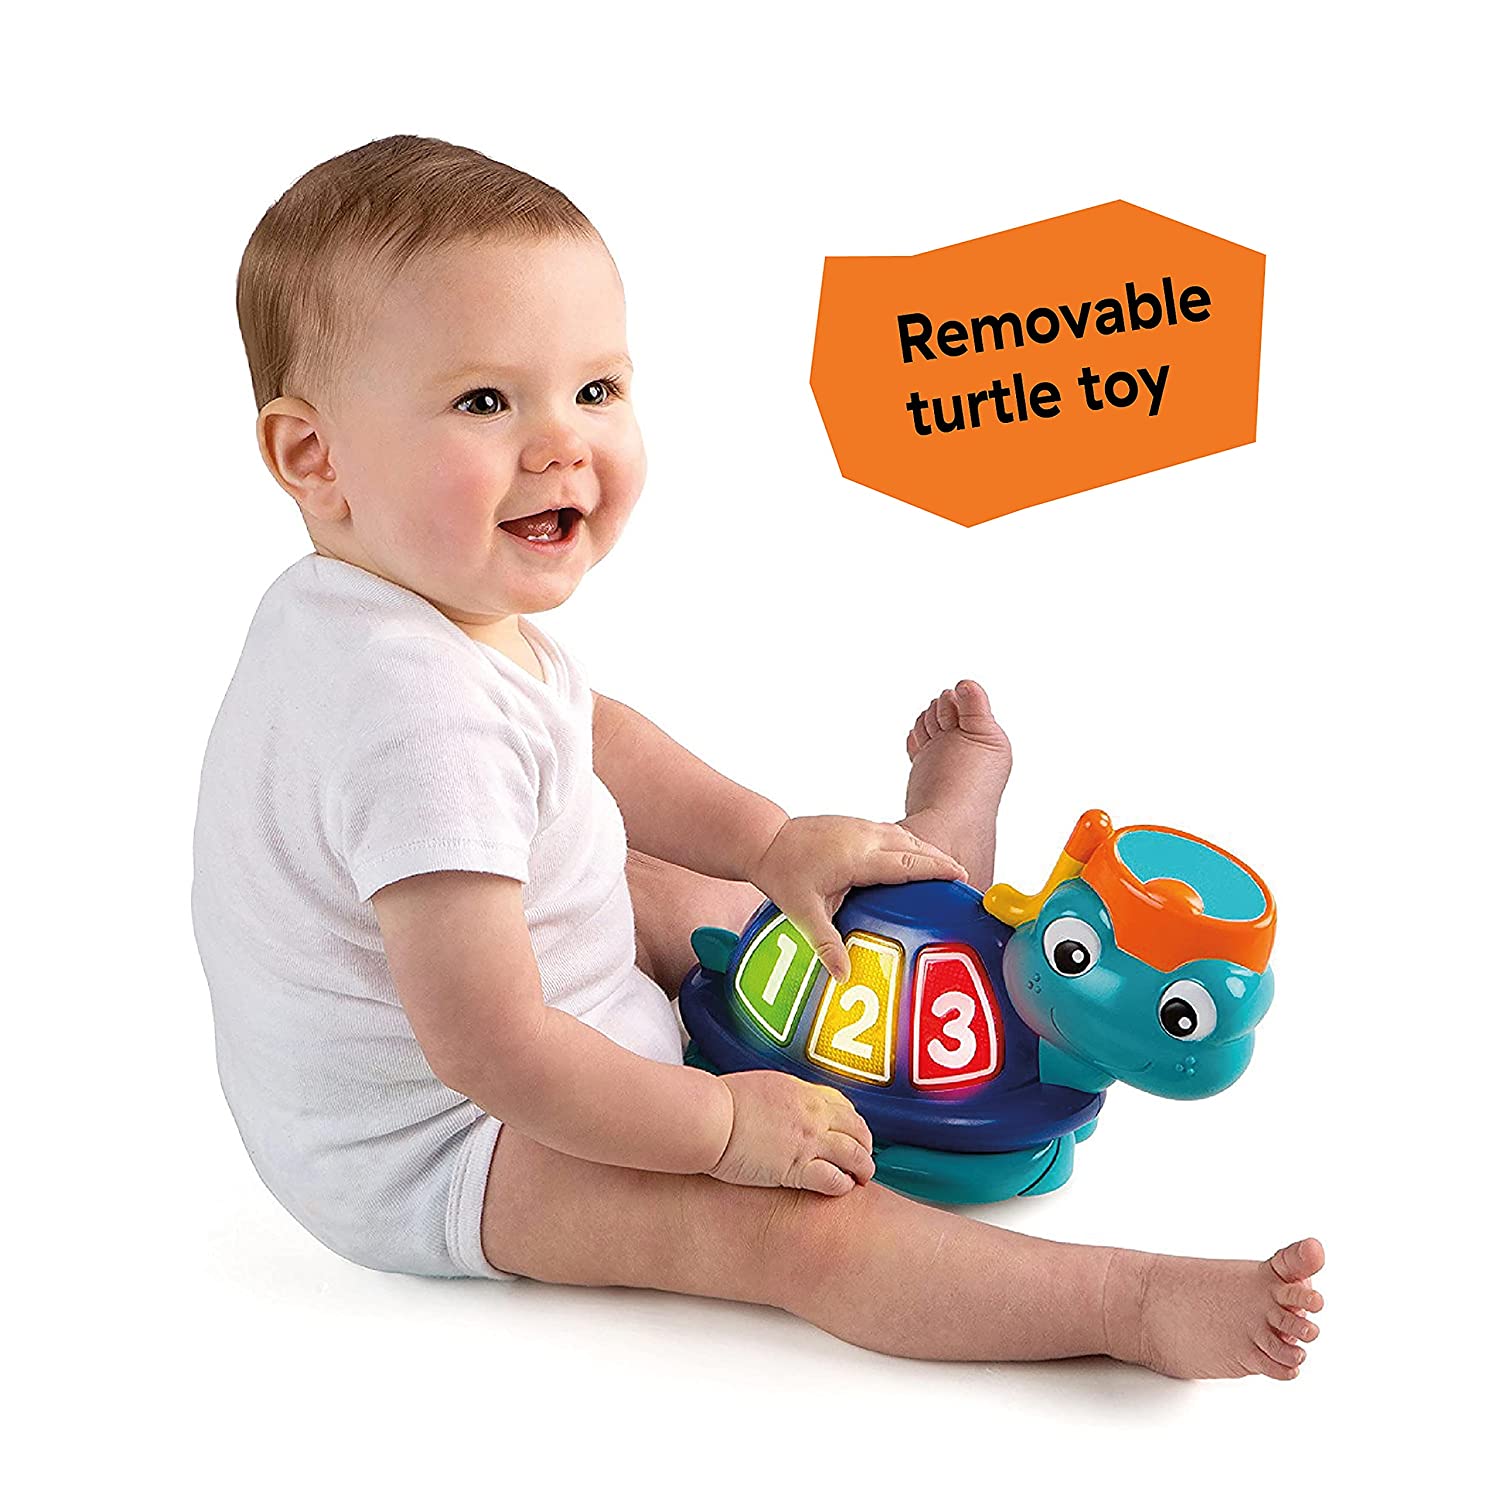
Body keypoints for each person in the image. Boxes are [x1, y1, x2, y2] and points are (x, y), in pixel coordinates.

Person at [192, 134, 1323, 1378]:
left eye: (596, 389)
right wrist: (721, 1123)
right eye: (483, 402)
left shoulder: (389, 599)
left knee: (756, 910)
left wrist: (768, 839)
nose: (562, 444)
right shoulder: (411, 721)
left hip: (496, 1005)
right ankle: (1128, 1305)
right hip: (447, 1141)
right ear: (314, 456)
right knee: (793, 1228)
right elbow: (496, 1050)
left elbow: (586, 735)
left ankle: (924, 862)